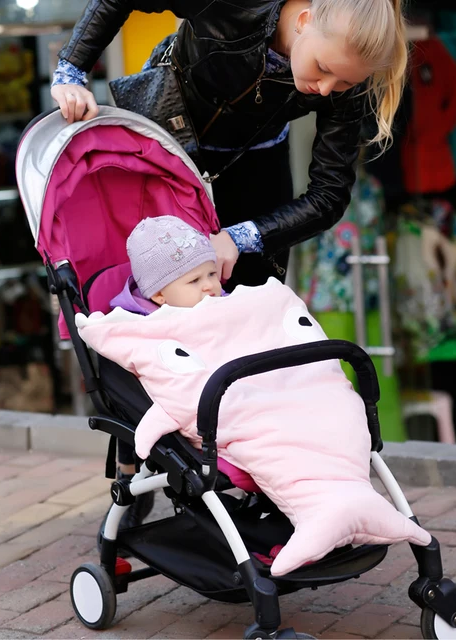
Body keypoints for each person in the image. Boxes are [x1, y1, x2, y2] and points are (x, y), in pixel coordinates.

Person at [54, 0, 408, 535]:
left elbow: (329, 195)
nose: (328, 89)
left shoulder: (347, 80)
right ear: (306, 17)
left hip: (255, 167)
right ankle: (136, 467)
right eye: (324, 70)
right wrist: (71, 70)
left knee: (252, 333)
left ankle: (248, 483)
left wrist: (241, 238)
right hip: (170, 151)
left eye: (343, 83)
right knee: (156, 324)